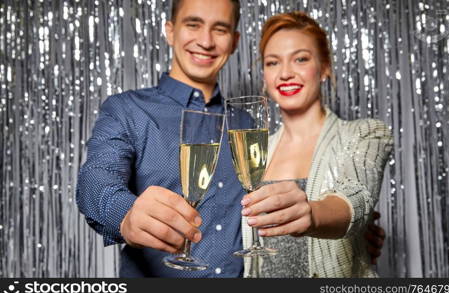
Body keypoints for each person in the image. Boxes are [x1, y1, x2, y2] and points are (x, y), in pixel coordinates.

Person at [76, 0, 386, 278]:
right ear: (170, 31)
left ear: (235, 41)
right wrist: (125, 214)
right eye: (193, 24)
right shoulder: (127, 109)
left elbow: (294, 202)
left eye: (220, 29)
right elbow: (94, 180)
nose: (206, 41)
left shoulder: (247, 126)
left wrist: (353, 234)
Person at [240, 11, 393, 277]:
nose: (285, 73)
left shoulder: (364, 134)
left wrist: (312, 214)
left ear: (324, 67)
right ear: (264, 75)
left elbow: (356, 198)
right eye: (273, 62)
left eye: (300, 59)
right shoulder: (254, 151)